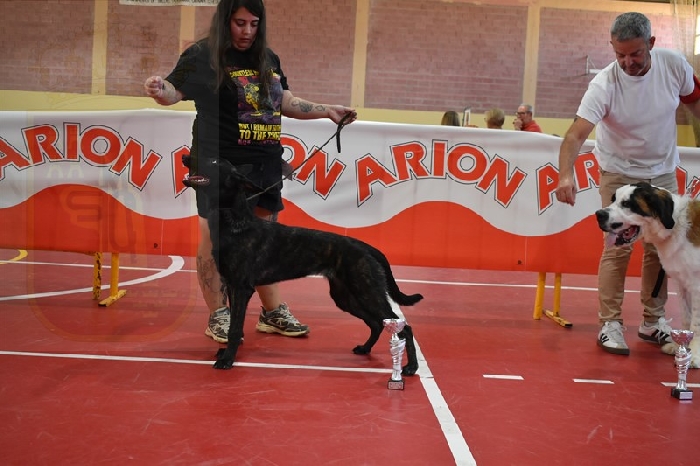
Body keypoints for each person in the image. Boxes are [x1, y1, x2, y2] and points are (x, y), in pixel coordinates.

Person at [144, 0, 356, 344]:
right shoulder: (201, 55)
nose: (247, 31)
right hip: (220, 166)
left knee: (263, 240)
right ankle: (219, 314)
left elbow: (285, 102)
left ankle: (271, 312)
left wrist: (327, 110)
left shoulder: (268, 58)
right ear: (225, 20)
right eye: (239, 23)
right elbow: (173, 92)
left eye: (254, 24)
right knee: (214, 238)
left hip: (265, 163)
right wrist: (158, 89)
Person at [554, 12, 700, 355]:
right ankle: (610, 324)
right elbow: (575, 135)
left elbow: (696, 102)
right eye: (620, 55)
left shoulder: (674, 66)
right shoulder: (604, 84)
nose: (627, 62)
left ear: (651, 44)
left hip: (661, 170)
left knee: (661, 248)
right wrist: (565, 175)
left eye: (635, 54)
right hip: (619, 171)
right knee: (617, 246)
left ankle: (653, 321)